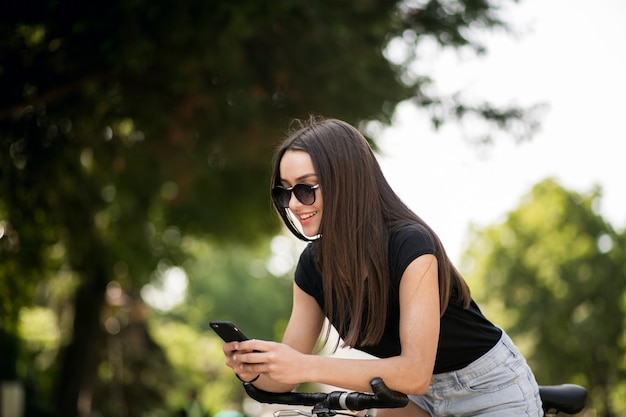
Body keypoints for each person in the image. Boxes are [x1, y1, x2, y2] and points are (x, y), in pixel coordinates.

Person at [221, 117, 543, 417]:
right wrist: (256, 370)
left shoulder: (410, 244)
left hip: (488, 388)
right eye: (284, 192)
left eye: (305, 189)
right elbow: (285, 377)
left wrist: (303, 366)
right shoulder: (312, 268)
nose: (292, 204)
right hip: (406, 397)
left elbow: (415, 372)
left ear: (346, 182)